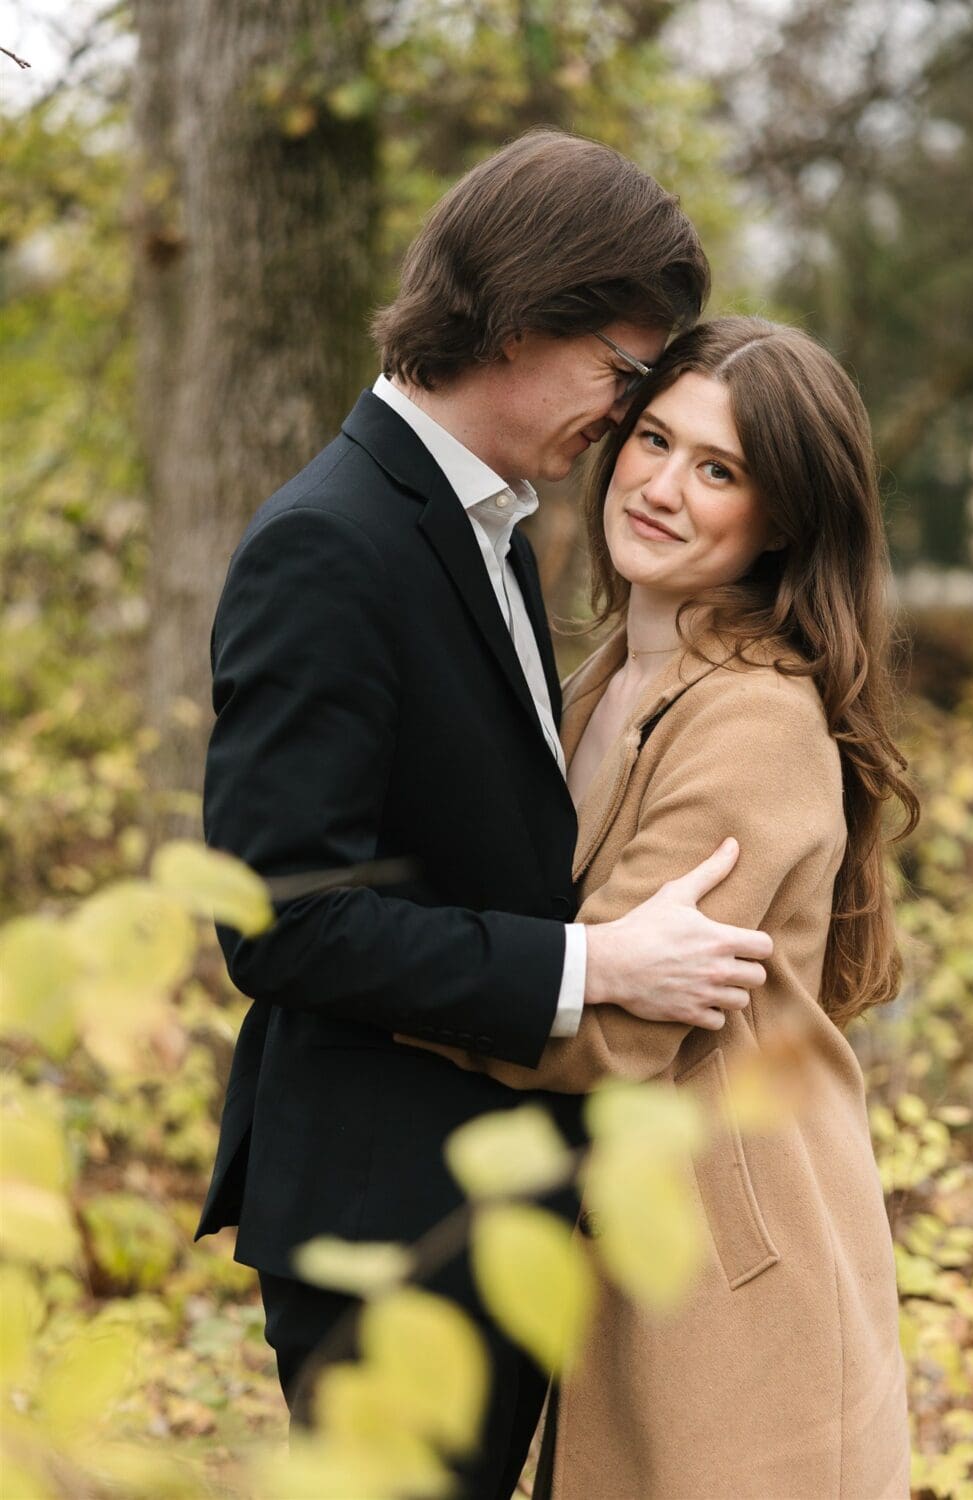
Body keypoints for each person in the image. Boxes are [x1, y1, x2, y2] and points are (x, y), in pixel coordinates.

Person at [194, 132, 776, 1500]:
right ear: (523, 317)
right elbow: (281, 923)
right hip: (384, 1228)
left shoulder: (490, 524)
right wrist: (597, 970)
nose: (627, 418)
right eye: (623, 375)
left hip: (479, 1206)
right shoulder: (330, 543)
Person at [407, 315, 920, 1498]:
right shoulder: (602, 678)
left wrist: (366, 980)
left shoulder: (752, 718)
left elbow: (619, 1031)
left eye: (720, 469)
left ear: (781, 518)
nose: (663, 488)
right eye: (653, 441)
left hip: (729, 1275)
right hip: (619, 1235)